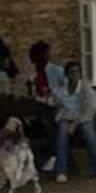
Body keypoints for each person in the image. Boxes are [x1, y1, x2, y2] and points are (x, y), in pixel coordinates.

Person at [54, 62, 96, 183]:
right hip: (66, 118)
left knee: (88, 132)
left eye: (77, 72)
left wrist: (75, 124)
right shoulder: (61, 90)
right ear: (67, 75)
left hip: (82, 119)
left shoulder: (87, 91)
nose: (74, 75)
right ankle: (61, 171)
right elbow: (58, 106)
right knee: (62, 133)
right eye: (71, 72)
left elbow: (89, 112)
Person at [27, 41, 65, 172]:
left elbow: (66, 91)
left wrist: (53, 95)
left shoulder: (57, 71)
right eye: (43, 54)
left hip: (57, 107)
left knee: (51, 121)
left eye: (46, 54)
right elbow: (32, 94)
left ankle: (54, 156)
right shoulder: (33, 74)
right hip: (41, 106)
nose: (47, 56)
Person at [0, 117, 40, 193]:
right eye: (9, 123)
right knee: (4, 170)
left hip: (16, 157)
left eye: (13, 124)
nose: (11, 125)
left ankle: (13, 189)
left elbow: (24, 146)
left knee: (17, 170)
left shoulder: (21, 137)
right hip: (5, 156)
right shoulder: (2, 133)